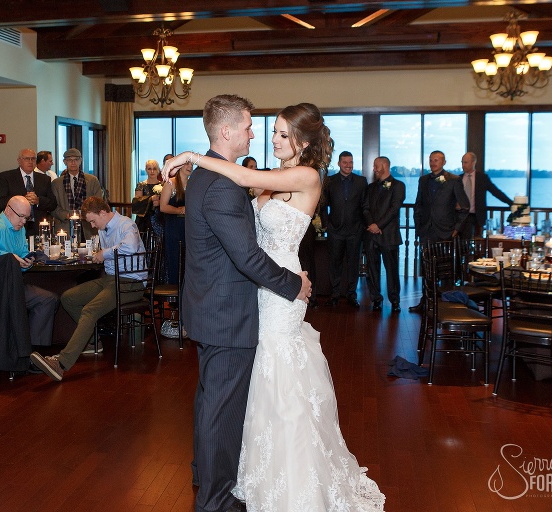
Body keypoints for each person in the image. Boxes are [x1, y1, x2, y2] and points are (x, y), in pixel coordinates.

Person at [163, 101, 384, 512]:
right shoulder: (270, 178)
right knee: (245, 390)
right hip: (255, 291)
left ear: (303, 140)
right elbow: (244, 221)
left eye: (282, 134)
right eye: (270, 131)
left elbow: (241, 180)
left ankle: (287, 478)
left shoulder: (306, 175)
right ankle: (241, 475)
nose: (270, 138)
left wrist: (193, 157)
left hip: (279, 292)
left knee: (277, 382)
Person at [161, 95, 312, 512]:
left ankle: (204, 474)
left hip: (211, 306)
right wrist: (292, 285)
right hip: (227, 312)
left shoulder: (209, 178)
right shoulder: (223, 187)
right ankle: (216, 499)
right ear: (226, 131)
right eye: (248, 126)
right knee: (220, 410)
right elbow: (246, 258)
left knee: (212, 401)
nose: (253, 132)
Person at [30, 196, 145, 381]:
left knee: (90, 310)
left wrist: (104, 253)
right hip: (110, 278)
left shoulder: (126, 224)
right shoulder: (103, 228)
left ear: (102, 212)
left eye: (93, 220)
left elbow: (130, 247)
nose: (92, 225)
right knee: (68, 298)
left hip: (131, 282)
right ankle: (92, 341)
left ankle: (61, 364)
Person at [0, 195, 59, 350]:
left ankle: (34, 351)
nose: (24, 222)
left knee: (49, 299)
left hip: (14, 284)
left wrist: (25, 262)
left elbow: (22, 254)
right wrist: (7, 257)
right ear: (8, 211)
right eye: (21, 217)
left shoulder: (20, 229)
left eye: (27, 218)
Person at [410, 150, 469, 311]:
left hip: (446, 232)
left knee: (446, 271)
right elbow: (419, 205)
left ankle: (445, 305)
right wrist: (418, 227)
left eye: (436, 160)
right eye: (431, 160)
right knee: (427, 268)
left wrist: (456, 229)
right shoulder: (423, 180)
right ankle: (426, 302)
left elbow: (465, 206)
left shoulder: (453, 180)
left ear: (444, 162)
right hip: (427, 231)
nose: (433, 162)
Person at [320, 150, 369, 307]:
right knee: (335, 264)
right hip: (335, 230)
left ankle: (351, 295)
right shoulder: (330, 181)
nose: (348, 165)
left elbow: (365, 205)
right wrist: (326, 223)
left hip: (355, 231)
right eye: (345, 162)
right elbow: (323, 204)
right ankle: (334, 294)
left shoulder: (362, 182)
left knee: (354, 264)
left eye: (351, 162)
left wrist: (363, 225)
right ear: (339, 164)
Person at [364, 156, 406, 312]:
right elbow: (365, 208)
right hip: (371, 235)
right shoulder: (371, 187)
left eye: (376, 166)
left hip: (389, 235)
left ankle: (395, 300)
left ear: (385, 165)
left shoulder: (398, 186)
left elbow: (394, 209)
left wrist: (379, 225)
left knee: (392, 270)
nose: (374, 169)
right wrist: (372, 225)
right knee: (372, 270)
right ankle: (376, 299)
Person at [0, 149, 57, 236]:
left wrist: (38, 201)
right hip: (14, 227)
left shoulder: (44, 179)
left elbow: (53, 203)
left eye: (33, 159)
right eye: (27, 159)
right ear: (19, 161)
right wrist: (21, 200)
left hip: (38, 227)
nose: (30, 162)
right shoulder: (7, 177)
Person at [458, 151, 514, 239]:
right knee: (461, 243)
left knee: (477, 241)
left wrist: (511, 203)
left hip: (476, 216)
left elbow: (496, 192)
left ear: (473, 163)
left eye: (465, 162)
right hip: (460, 216)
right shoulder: (458, 179)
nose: (463, 165)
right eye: (462, 162)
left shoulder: (482, 178)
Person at [51, 148, 103, 237]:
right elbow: (53, 206)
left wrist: (87, 214)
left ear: (81, 161)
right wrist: (66, 215)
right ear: (64, 162)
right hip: (65, 226)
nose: (73, 162)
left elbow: (99, 202)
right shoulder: (56, 183)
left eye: (76, 159)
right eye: (70, 160)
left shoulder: (92, 180)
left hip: (88, 225)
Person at [159, 159, 191, 285]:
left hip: (188, 228)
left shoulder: (192, 184)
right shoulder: (170, 183)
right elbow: (163, 207)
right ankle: (174, 293)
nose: (190, 166)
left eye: (191, 164)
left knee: (187, 260)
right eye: (187, 163)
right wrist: (179, 210)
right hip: (173, 227)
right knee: (175, 258)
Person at [132, 159, 163, 235]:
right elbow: (137, 202)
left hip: (159, 217)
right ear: (146, 170)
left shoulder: (163, 185)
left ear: (158, 170)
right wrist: (150, 199)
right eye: (149, 169)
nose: (152, 171)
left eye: (154, 169)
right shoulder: (141, 185)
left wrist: (160, 203)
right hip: (144, 219)